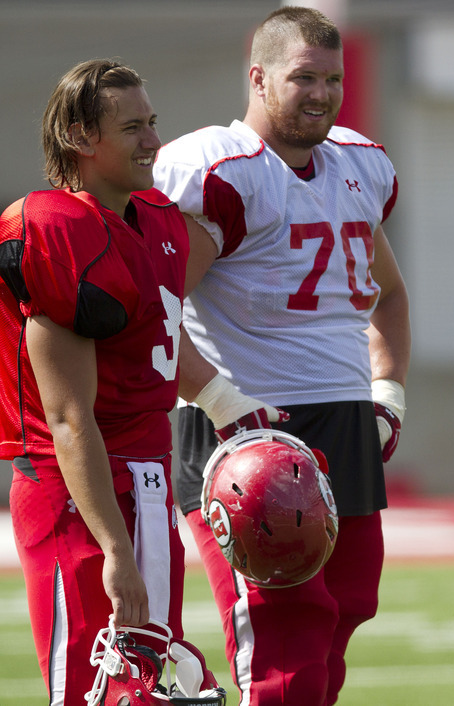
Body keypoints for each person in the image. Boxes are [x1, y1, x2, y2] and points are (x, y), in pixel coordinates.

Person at [154, 5, 411, 705]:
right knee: (284, 641)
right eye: (303, 78)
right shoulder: (225, 171)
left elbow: (388, 297)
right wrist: (222, 403)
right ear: (258, 77)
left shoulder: (357, 165)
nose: (322, 93)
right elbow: (156, 311)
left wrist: (387, 392)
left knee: (341, 620)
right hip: (251, 432)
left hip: (345, 424)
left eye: (332, 78)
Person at [0, 59, 191, 704]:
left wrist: (234, 407)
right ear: (82, 137)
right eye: (132, 126)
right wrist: (115, 546)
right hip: (80, 490)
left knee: (146, 687)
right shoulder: (61, 232)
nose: (153, 141)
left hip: (150, 476)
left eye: (153, 122)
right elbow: (67, 419)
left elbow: (161, 342)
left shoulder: (159, 220)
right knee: (90, 687)